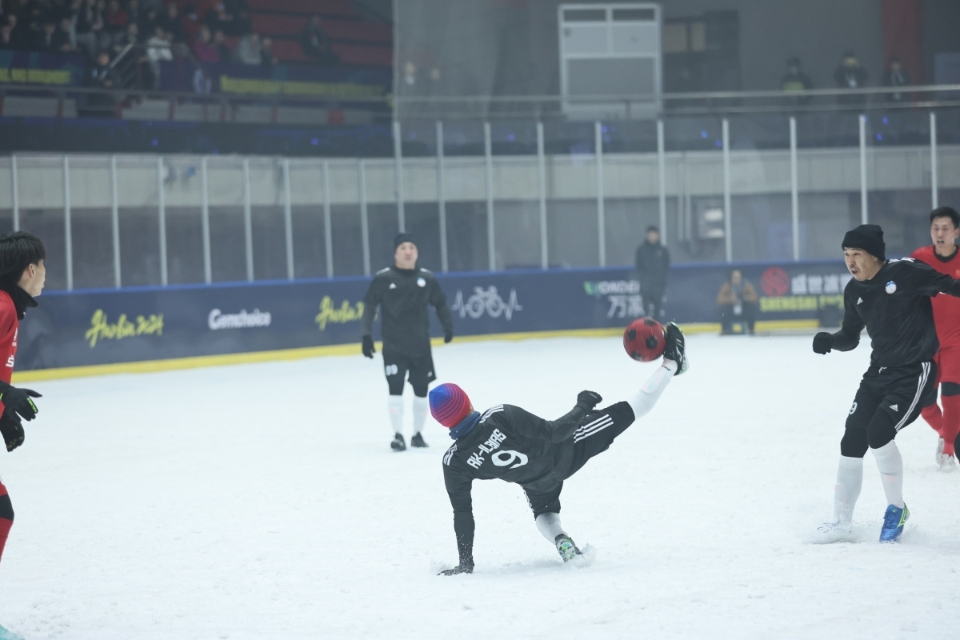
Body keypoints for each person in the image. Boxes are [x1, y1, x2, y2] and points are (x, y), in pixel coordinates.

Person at [434, 324, 686, 575]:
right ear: (467, 402)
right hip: (567, 450)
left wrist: (465, 563)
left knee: (544, 513)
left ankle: (560, 538)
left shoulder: (454, 462)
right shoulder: (499, 416)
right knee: (631, 409)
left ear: (444, 422)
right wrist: (582, 406)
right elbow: (555, 432)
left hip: (536, 482)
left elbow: (462, 513)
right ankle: (672, 363)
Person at [813, 224, 960, 543]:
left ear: (875, 256)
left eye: (857, 254)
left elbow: (950, 285)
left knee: (879, 434)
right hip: (877, 373)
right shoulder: (854, 290)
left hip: (914, 372)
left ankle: (897, 509)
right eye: (846, 254)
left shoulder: (906, 272)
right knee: (851, 442)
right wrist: (830, 341)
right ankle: (841, 521)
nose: (850, 261)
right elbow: (850, 336)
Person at [361, 233, 454, 452]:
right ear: (395, 253)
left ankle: (417, 435)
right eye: (403, 247)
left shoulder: (426, 278)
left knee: (422, 392)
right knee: (395, 389)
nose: (408, 251)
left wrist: (448, 326)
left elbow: (440, 304)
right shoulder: (383, 278)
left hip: (421, 347)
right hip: (394, 346)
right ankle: (398, 435)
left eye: (412, 247)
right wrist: (366, 335)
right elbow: (369, 306)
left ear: (417, 252)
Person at [0, 232, 47, 566]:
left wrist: (2, 413)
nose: (45, 274)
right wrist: (5, 393)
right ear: (31, 269)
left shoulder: (9, 307)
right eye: (43, 266)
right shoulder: (3, 306)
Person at [911, 207, 960, 471]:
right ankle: (944, 432)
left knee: (952, 393)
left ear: (956, 232)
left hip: (957, 341)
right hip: (926, 341)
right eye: (935, 229)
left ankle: (949, 450)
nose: (940, 234)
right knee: (924, 402)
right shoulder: (919, 259)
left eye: (945, 229)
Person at [634, 225, 670, 320]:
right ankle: (646, 326)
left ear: (658, 235)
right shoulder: (641, 250)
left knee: (657, 308)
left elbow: (666, 265)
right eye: (650, 234)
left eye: (654, 234)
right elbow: (638, 266)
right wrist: (643, 280)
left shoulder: (663, 250)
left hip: (658, 284)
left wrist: (662, 280)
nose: (652, 236)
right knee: (645, 308)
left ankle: (656, 325)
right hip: (645, 284)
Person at [716, 269, 758, 335]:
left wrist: (744, 297)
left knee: (751, 307)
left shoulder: (747, 285)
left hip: (744, 310)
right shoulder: (727, 286)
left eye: (738, 277)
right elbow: (719, 300)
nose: (736, 279)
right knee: (724, 309)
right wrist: (730, 299)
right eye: (734, 277)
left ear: (741, 278)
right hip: (731, 310)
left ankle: (751, 330)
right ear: (731, 278)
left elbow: (755, 297)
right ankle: (724, 330)